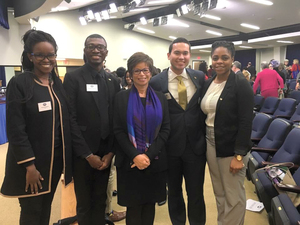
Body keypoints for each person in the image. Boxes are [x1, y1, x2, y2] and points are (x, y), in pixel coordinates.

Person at [0, 29, 75, 225]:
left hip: (54, 162)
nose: (46, 59)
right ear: (29, 56)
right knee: (31, 213)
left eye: (50, 55)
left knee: (45, 208)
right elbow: (16, 130)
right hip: (31, 166)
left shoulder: (56, 83)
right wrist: (29, 166)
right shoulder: (19, 83)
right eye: (40, 55)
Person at [63, 34, 120, 225]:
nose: (96, 50)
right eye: (91, 46)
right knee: (84, 203)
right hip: (83, 154)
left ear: (106, 52)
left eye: (100, 47)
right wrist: (87, 154)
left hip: (106, 153)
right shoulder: (73, 78)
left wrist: (111, 152)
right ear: (85, 50)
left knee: (100, 200)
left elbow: (116, 119)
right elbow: (69, 119)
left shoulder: (113, 81)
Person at [150, 37, 206, 225]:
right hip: (169, 148)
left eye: (185, 53)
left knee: (196, 193)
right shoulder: (156, 82)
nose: (181, 57)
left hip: (195, 147)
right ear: (169, 55)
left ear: (189, 56)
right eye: (177, 53)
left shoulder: (199, 77)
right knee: (174, 193)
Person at [113, 52, 170, 225]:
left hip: (154, 161)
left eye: (145, 70)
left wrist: (148, 155)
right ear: (130, 74)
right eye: (137, 71)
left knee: (149, 206)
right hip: (130, 162)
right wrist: (135, 155)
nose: (142, 74)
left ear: (151, 71)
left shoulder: (160, 98)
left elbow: (166, 129)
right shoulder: (121, 98)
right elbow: (118, 130)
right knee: (134, 208)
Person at [201, 41, 253, 225]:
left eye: (224, 58)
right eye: (215, 58)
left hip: (231, 147)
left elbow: (246, 121)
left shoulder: (240, 83)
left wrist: (239, 155)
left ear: (232, 59)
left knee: (234, 195)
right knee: (220, 191)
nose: (219, 62)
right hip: (210, 142)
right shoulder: (208, 83)